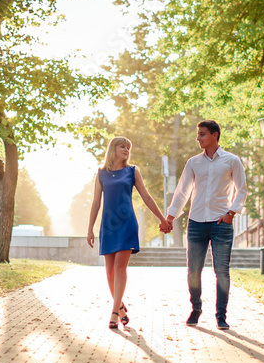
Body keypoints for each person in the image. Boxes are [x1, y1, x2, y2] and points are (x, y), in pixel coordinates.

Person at [163, 120, 247, 330]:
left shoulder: (232, 161)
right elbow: (182, 191)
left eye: (202, 134)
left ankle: (221, 316)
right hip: (196, 222)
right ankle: (196, 308)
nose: (198, 138)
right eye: (198, 134)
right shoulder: (193, 163)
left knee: (222, 271)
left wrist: (231, 212)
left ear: (215, 135)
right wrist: (171, 217)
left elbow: (242, 189)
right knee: (193, 270)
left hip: (221, 223)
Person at [87, 136, 168, 330]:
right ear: (112, 149)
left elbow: (146, 196)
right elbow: (96, 202)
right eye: (122, 146)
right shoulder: (101, 173)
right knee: (109, 273)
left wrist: (162, 218)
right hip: (108, 225)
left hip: (126, 224)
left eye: (128, 147)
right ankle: (121, 307)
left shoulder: (132, 171)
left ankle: (114, 313)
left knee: (120, 268)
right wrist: (89, 228)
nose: (126, 150)